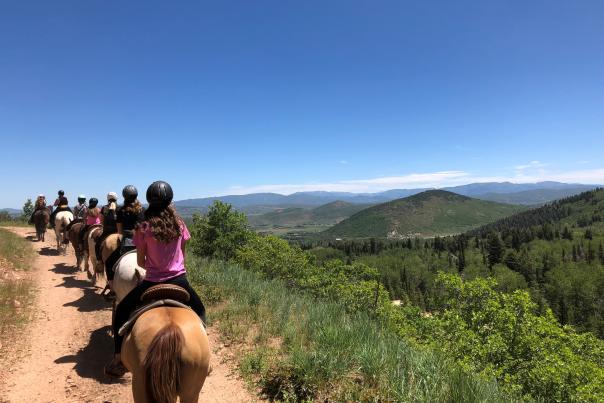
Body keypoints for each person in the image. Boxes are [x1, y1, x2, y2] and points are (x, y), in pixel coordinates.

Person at [104, 181, 206, 377]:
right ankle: (204, 360)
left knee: (122, 311)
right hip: (179, 280)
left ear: (149, 200)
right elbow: (183, 256)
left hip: (152, 282)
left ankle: (118, 357)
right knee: (200, 310)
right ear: (170, 200)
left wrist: (153, 267)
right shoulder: (179, 224)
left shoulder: (143, 227)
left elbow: (141, 262)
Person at [104, 185, 145, 289]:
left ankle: (112, 288)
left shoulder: (121, 210)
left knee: (109, 263)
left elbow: (119, 231)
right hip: (142, 243)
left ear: (124, 196)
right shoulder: (143, 210)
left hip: (127, 243)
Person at [95, 192, 118, 262]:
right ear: (116, 198)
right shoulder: (119, 207)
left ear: (108, 199)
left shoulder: (104, 208)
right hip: (118, 231)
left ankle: (99, 262)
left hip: (107, 231)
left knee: (97, 245)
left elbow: (101, 221)